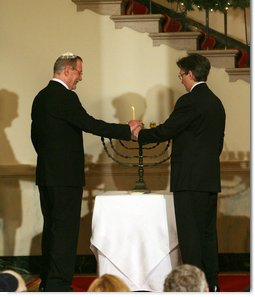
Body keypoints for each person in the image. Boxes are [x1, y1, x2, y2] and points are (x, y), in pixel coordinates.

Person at [31, 52, 141, 292]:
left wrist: (52, 160)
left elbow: (35, 137)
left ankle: (48, 282)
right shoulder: (65, 97)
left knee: (52, 229)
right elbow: (90, 124)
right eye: (79, 71)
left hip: (47, 175)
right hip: (66, 177)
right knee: (65, 231)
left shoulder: (40, 97)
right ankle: (59, 286)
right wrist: (127, 130)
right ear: (67, 70)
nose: (81, 77)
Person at [130, 53, 226, 292]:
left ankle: (192, 287)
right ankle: (211, 283)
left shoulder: (189, 101)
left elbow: (166, 131)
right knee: (207, 234)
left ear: (191, 74)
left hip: (188, 180)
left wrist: (139, 135)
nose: (180, 79)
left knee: (190, 237)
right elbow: (218, 142)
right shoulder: (216, 102)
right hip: (209, 178)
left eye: (182, 75)